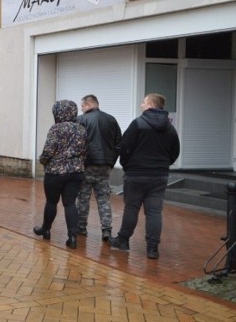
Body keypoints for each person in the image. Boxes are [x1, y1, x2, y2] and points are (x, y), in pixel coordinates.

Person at [110, 93, 180, 259]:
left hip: (136, 174)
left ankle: (123, 240)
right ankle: (152, 248)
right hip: (159, 175)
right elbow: (175, 152)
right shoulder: (170, 128)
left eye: (143, 102)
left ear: (150, 105)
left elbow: (125, 146)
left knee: (131, 208)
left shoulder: (138, 124)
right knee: (154, 212)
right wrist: (163, 164)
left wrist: (127, 165)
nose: (141, 105)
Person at [33, 100, 87, 249]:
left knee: (51, 202)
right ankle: (72, 237)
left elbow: (48, 151)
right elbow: (85, 150)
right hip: (76, 172)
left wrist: (43, 160)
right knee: (70, 203)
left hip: (55, 172)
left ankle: (46, 230)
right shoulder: (81, 129)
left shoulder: (56, 129)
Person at [76, 95, 122, 241]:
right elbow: (119, 143)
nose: (81, 109)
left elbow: (76, 143)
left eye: (82, 106)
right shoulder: (111, 119)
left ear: (89, 104)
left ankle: (81, 227)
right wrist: (110, 161)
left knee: (83, 197)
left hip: (86, 165)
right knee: (103, 198)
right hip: (104, 166)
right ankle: (106, 229)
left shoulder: (81, 120)